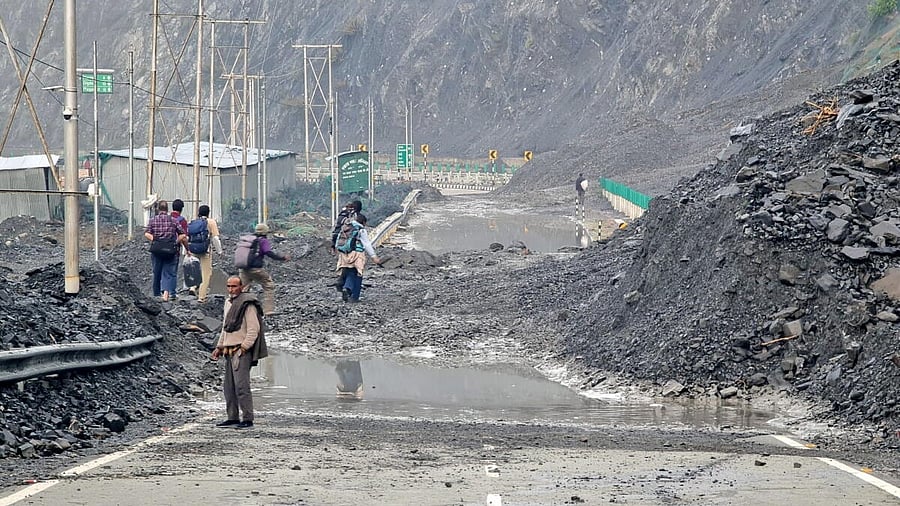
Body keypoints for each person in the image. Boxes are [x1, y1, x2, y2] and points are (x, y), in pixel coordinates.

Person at [211, 276, 265, 429]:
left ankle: (247, 418)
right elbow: (225, 328)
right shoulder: (228, 303)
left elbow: (254, 329)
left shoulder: (248, 304)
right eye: (228, 286)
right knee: (229, 387)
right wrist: (219, 347)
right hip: (228, 350)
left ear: (241, 286)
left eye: (234, 286)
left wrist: (244, 348)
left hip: (240, 350)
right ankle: (232, 417)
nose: (231, 289)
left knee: (241, 386)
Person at [239, 223, 290, 315]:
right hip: (256, 269)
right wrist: (282, 258)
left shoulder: (248, 239)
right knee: (268, 285)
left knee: (242, 289)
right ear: (265, 232)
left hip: (243, 268)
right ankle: (268, 310)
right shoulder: (263, 241)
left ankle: (238, 310)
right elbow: (268, 252)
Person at [144, 200, 187, 302]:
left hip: (157, 250)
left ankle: (156, 294)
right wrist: (175, 242)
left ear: (158, 209)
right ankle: (166, 294)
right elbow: (182, 234)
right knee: (168, 272)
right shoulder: (173, 220)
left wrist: (155, 239)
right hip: (170, 250)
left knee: (156, 272)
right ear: (167, 209)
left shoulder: (153, 220)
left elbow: (147, 233)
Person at [336, 213, 381, 303]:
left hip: (345, 253)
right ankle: (352, 294)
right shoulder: (361, 229)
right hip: (357, 254)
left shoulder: (346, 226)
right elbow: (367, 244)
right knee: (357, 274)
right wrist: (374, 257)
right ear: (363, 222)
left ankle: (345, 288)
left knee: (348, 271)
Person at [189, 204, 223, 303]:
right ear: (208, 212)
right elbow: (215, 238)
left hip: (193, 249)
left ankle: (192, 287)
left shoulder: (193, 222)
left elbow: (188, 237)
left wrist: (186, 250)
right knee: (206, 273)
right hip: (205, 251)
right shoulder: (211, 222)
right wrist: (219, 251)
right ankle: (202, 297)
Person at [330, 200, 362, 291]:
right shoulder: (353, 217)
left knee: (344, 264)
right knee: (351, 267)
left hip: (340, 244)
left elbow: (336, 230)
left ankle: (342, 283)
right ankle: (344, 285)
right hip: (350, 245)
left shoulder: (341, 215)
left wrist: (333, 244)